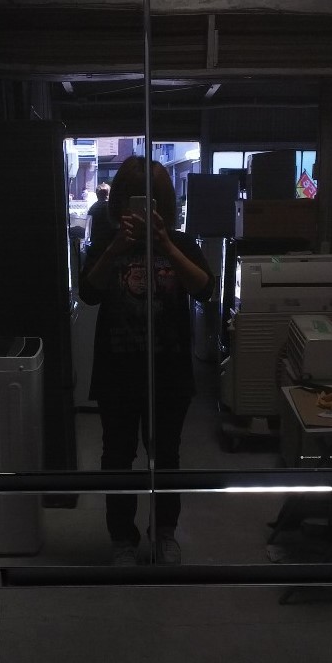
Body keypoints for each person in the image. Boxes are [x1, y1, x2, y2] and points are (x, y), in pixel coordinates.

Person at [80, 156, 214, 566]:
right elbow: (88, 293)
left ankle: (165, 533)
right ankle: (122, 538)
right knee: (117, 459)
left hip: (169, 374)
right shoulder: (107, 242)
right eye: (133, 200)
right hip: (117, 373)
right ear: (120, 203)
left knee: (167, 458)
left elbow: (205, 290)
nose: (141, 209)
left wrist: (166, 245)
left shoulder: (181, 243)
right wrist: (116, 248)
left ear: (163, 205)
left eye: (150, 201)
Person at [85, 182, 113, 250]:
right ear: (108, 194)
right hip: (109, 241)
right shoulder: (111, 207)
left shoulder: (93, 207)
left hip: (95, 241)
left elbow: (88, 227)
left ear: (97, 195)